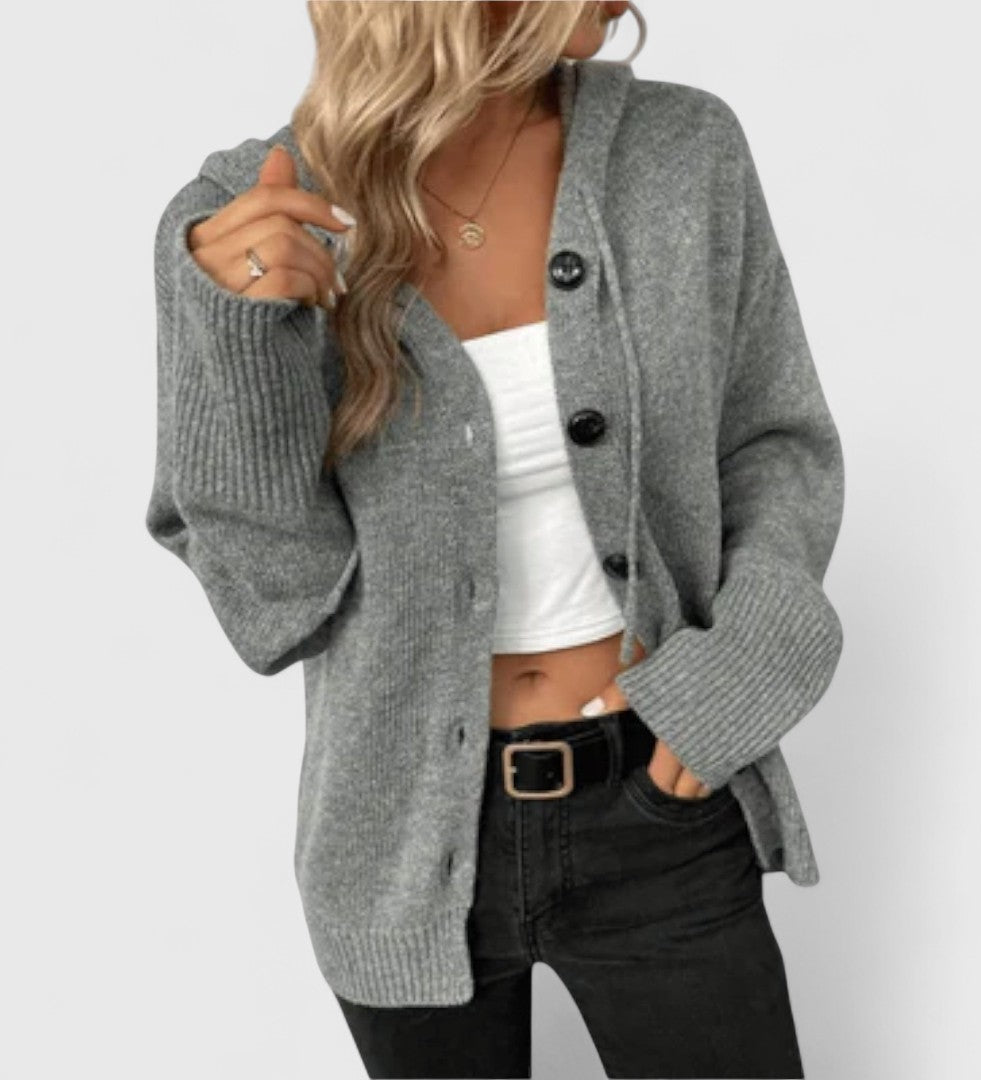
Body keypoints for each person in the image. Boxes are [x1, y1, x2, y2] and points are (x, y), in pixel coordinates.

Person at [146, 1, 844, 1076]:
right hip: (398, 840)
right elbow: (273, 604)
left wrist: (728, 689)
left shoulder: (683, 150)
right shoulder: (246, 217)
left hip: (659, 801)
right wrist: (242, 342)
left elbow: (775, 445)